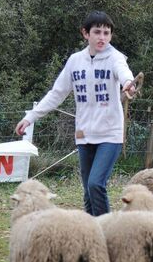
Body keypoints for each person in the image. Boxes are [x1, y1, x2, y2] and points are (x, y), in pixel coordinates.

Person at [15, 11, 136, 216]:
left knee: (96, 184)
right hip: (84, 134)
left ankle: (107, 231)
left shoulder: (115, 58)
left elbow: (124, 73)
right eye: (97, 32)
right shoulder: (75, 61)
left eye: (107, 33)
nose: (102, 37)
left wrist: (128, 84)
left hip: (110, 134)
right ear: (85, 33)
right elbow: (57, 93)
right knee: (88, 191)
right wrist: (30, 117)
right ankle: (90, 233)